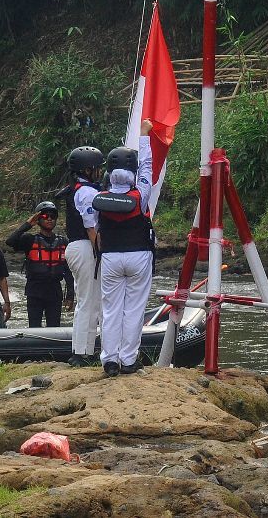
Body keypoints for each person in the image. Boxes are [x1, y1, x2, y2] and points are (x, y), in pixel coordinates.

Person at [94, 119, 155, 377]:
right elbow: (148, 169)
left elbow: (96, 228)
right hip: (139, 256)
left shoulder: (100, 198)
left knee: (110, 310)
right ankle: (128, 360)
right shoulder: (140, 196)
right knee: (134, 310)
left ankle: (109, 360)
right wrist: (144, 135)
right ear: (132, 172)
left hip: (110, 258)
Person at [57, 145, 104, 366]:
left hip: (80, 247)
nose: (100, 172)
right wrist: (101, 252)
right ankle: (81, 352)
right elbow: (91, 226)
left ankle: (85, 349)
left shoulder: (79, 188)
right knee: (88, 301)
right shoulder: (86, 192)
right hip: (85, 246)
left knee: (90, 301)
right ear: (87, 170)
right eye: (96, 168)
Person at [5, 201, 72, 328]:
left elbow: (68, 270)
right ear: (39, 219)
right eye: (46, 216)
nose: (50, 219)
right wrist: (28, 224)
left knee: (54, 327)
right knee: (34, 326)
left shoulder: (63, 242)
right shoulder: (29, 240)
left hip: (54, 292)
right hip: (35, 291)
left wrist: (70, 295)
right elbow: (10, 241)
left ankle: (51, 348)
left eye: (53, 216)